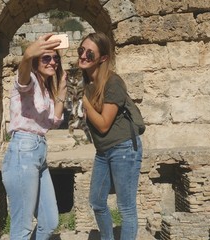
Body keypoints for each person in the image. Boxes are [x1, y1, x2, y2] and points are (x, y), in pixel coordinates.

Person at [2, 33, 67, 240]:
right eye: (46, 58)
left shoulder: (46, 90)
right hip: (23, 152)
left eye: (55, 58)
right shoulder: (28, 79)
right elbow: (22, 77)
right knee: (22, 227)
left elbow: (52, 122)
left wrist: (62, 94)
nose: (53, 62)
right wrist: (27, 55)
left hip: (39, 153)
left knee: (49, 222)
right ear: (36, 60)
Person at [79, 32, 143, 240]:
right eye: (81, 50)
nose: (83, 56)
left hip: (124, 148)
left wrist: (84, 102)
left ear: (103, 58)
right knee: (97, 202)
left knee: (126, 208)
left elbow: (104, 125)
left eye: (90, 53)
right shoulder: (88, 83)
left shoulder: (113, 82)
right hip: (103, 151)